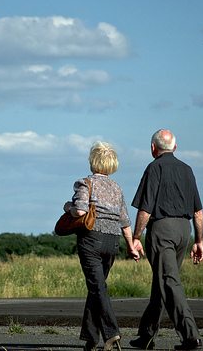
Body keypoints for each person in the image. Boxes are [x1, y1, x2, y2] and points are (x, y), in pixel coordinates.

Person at [129, 129, 203, 351]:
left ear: (153, 148)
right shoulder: (187, 170)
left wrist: (136, 237)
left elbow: (145, 208)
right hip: (184, 230)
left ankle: (191, 336)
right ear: (175, 147)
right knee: (161, 281)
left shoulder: (154, 168)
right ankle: (146, 335)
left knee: (169, 281)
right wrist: (199, 241)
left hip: (162, 230)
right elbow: (198, 212)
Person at [63, 141, 140, 351]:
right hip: (112, 242)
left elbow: (79, 212)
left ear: (92, 161)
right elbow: (125, 221)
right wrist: (131, 246)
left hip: (91, 240)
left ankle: (111, 332)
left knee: (98, 288)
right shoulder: (117, 188)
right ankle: (90, 337)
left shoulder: (85, 183)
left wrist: (68, 207)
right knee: (96, 288)